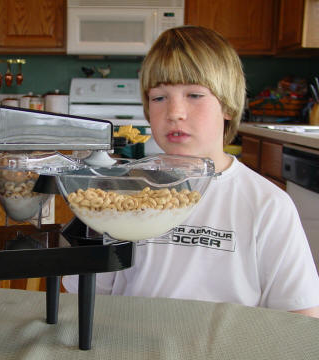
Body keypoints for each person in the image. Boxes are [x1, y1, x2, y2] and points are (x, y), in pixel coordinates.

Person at [63, 26, 319, 318]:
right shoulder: (119, 195)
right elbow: (88, 295)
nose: (175, 112)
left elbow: (302, 317)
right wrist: (95, 221)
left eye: (195, 95)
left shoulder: (267, 205)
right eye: (159, 98)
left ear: (228, 107)